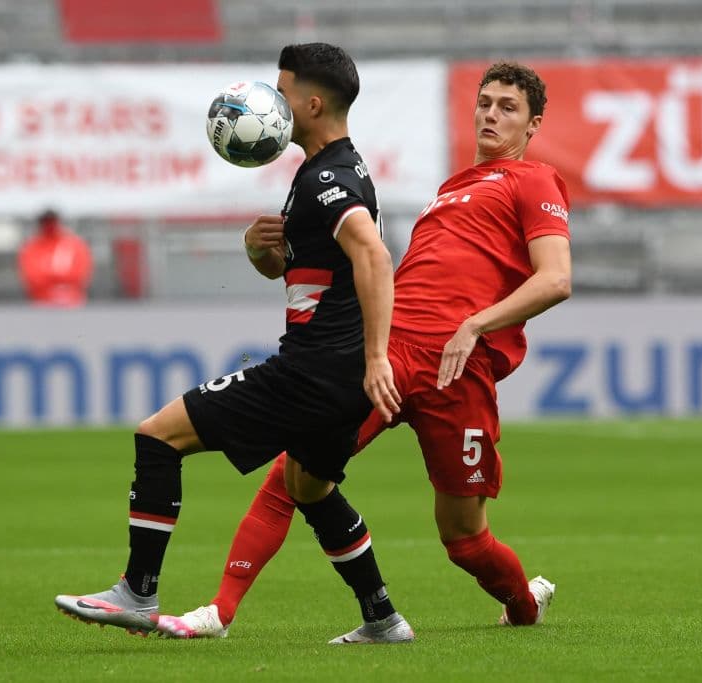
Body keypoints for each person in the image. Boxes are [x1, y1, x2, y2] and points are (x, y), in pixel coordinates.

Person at [155, 62, 572, 639]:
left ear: (533, 126)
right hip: (392, 351)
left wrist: (477, 325)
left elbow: (555, 279)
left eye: (507, 107)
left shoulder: (535, 182)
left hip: (458, 368)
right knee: (295, 472)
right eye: (485, 102)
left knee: (464, 540)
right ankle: (218, 611)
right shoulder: (449, 190)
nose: (491, 114)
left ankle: (523, 605)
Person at [55, 43, 415, 645]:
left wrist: (379, 355)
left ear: (315, 102)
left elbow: (374, 256)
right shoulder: (335, 169)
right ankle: (383, 617)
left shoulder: (328, 178)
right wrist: (259, 252)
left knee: (157, 434)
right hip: (338, 376)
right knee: (308, 487)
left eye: (284, 90)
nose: (274, 101)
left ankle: (138, 591)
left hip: (313, 372)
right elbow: (302, 274)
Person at [18, 209, 93, 306]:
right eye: (46, 221)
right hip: (41, 300)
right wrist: (52, 282)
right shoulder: (32, 246)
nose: (49, 224)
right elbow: (31, 276)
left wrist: (61, 283)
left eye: (51, 221)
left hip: (72, 299)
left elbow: (81, 272)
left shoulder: (74, 244)